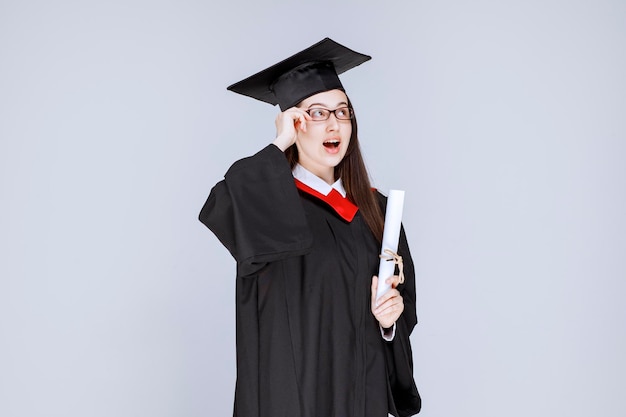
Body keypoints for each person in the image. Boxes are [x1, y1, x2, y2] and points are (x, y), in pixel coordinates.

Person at [199, 38, 421, 417]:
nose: (334, 123)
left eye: (342, 111)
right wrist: (279, 141)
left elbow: (401, 319)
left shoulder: (377, 213)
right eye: (316, 113)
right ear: (293, 121)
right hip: (289, 399)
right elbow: (221, 203)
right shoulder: (267, 202)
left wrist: (389, 324)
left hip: (361, 400)